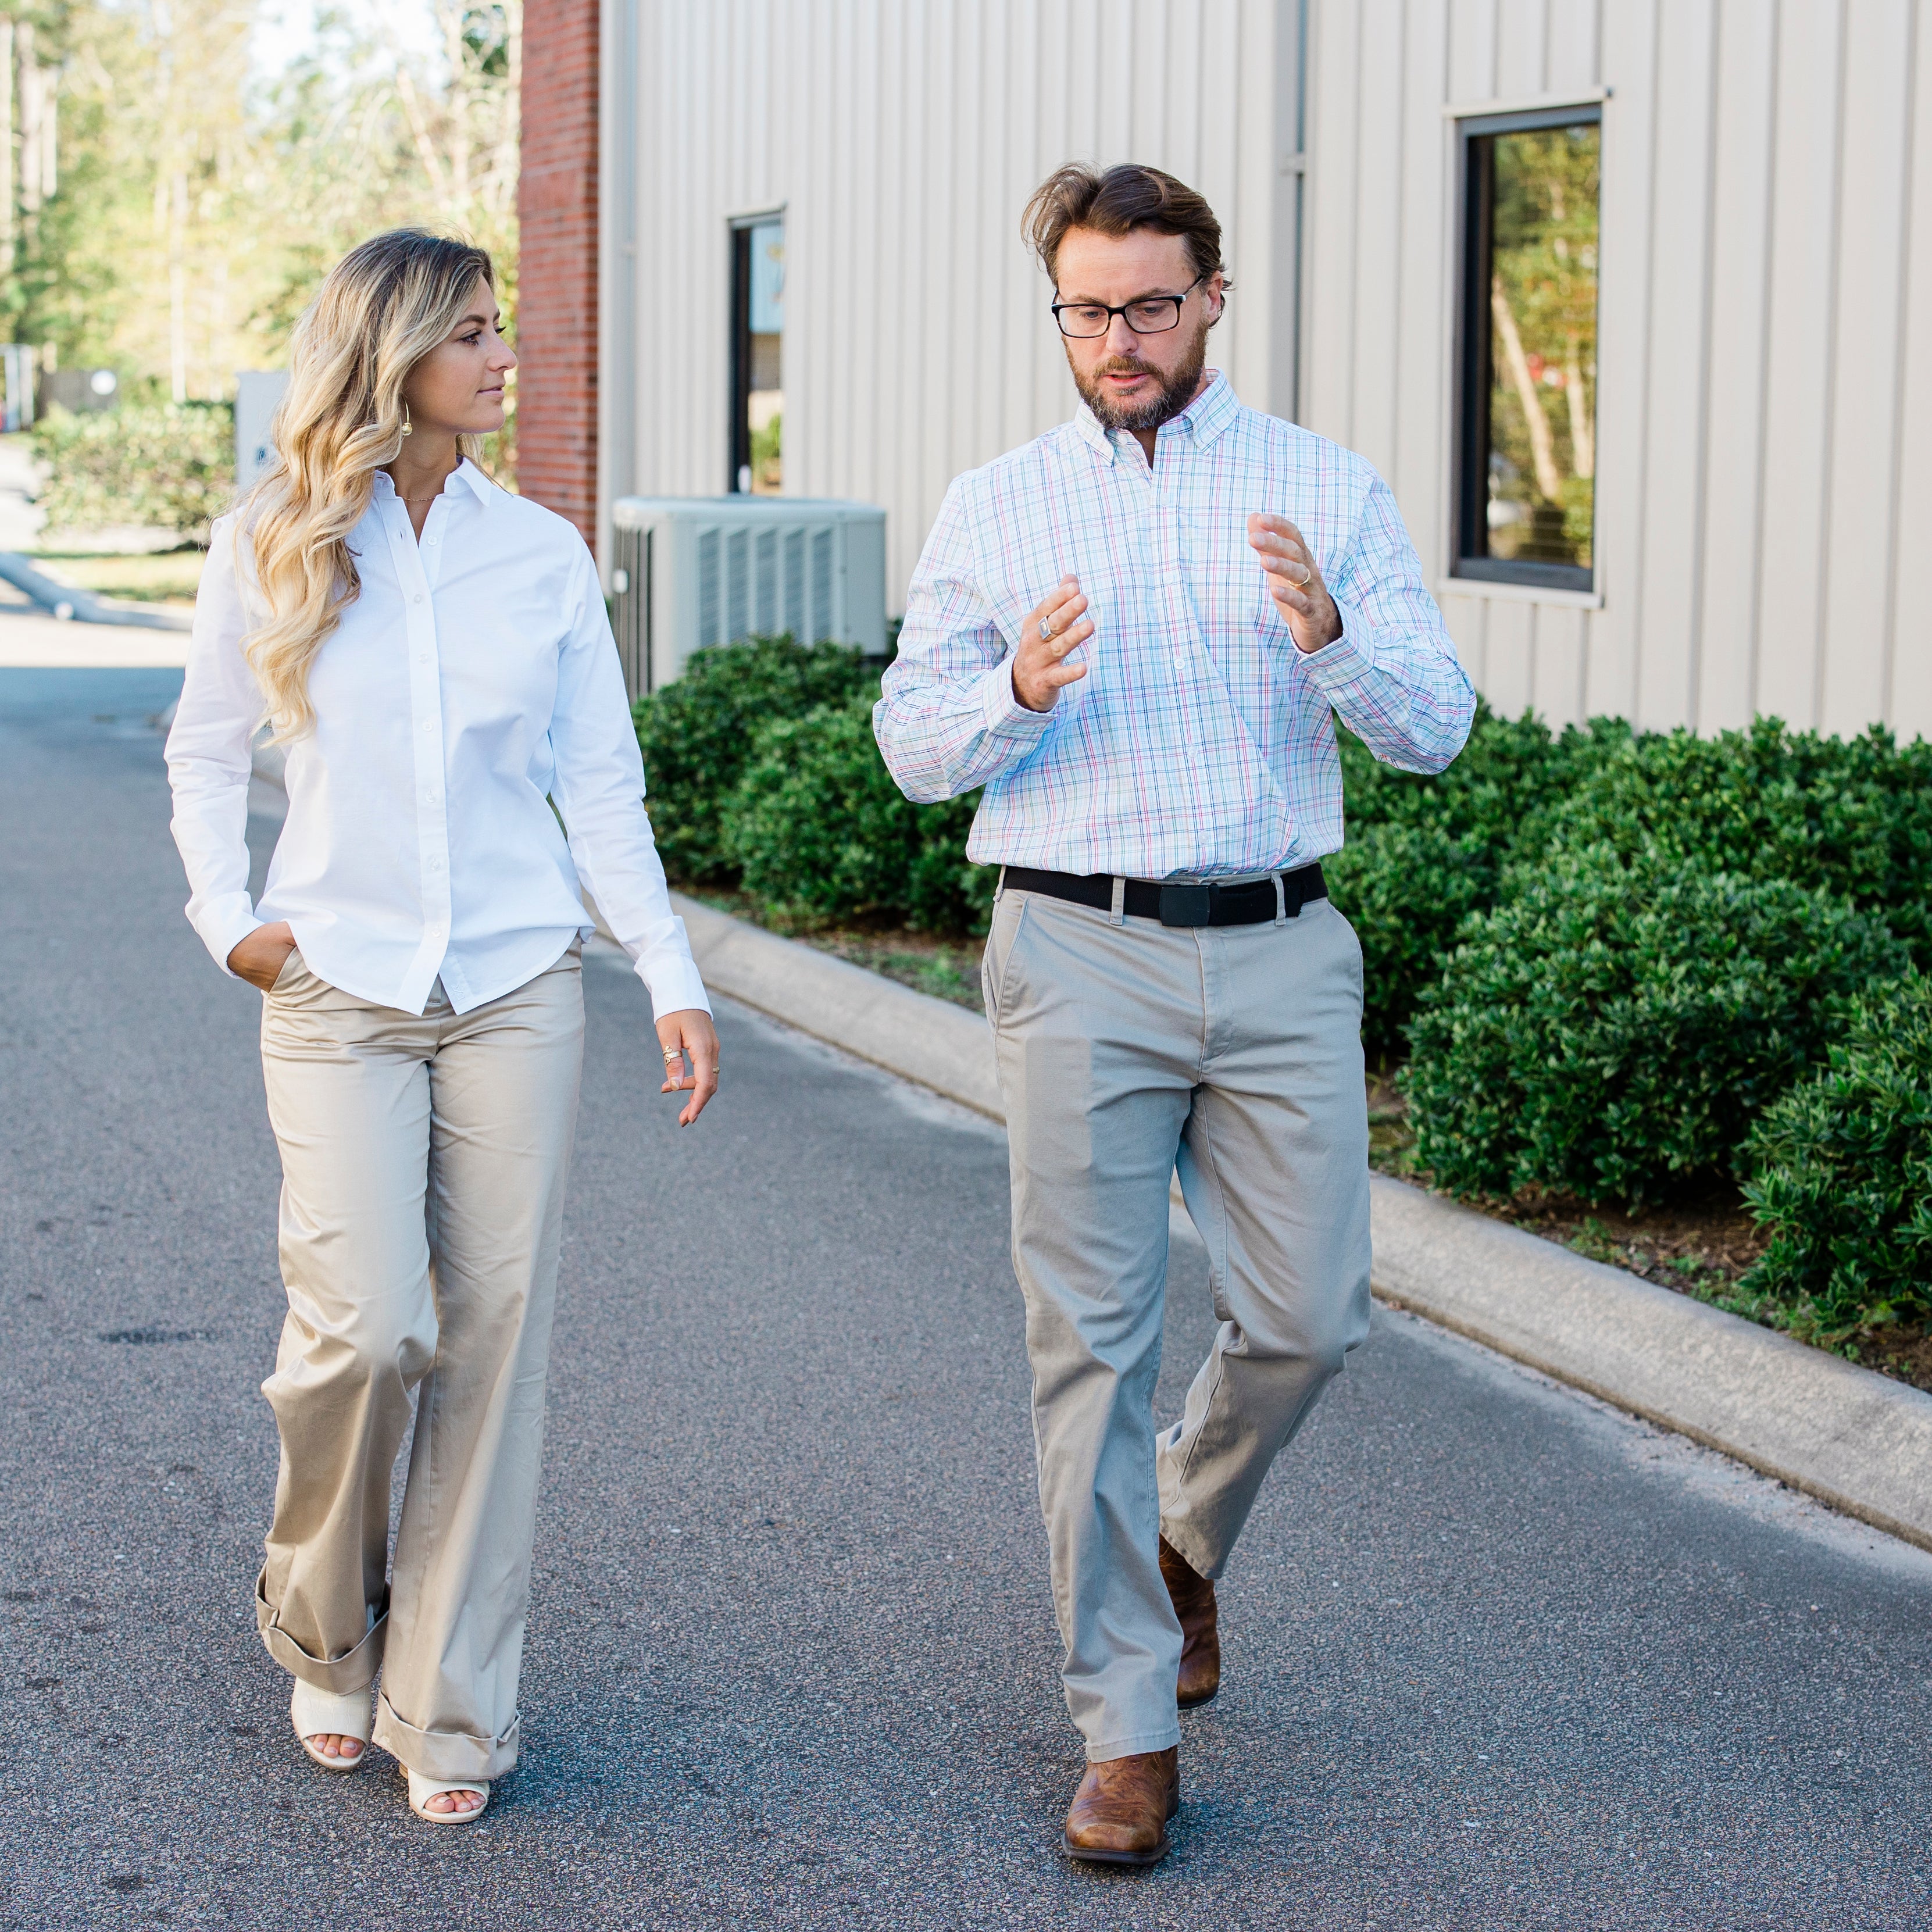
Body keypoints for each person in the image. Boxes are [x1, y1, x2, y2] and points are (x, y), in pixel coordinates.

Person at [874, 164, 1476, 1866]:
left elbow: (1437, 725)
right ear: (1055, 310)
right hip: (1077, 946)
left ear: (1212, 294)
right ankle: (1124, 1726)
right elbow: (911, 743)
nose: (1116, 338)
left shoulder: (1319, 486)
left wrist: (1336, 634)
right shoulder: (996, 506)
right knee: (1091, 1347)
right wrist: (1011, 691)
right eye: (1085, 308)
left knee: (1312, 1311)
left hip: (1282, 948)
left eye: (1148, 303)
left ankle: (1179, 1536)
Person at [165, 230, 718, 1825]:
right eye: (471, 333)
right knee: (366, 1331)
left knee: (493, 1345)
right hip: (332, 983)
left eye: (498, 329)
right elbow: (204, 748)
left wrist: (668, 972)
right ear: (388, 352)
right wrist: (229, 915)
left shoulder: (537, 554)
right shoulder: (269, 534)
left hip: (515, 986)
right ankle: (322, 1624)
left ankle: (453, 1703)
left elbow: (596, 784)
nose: (501, 357)